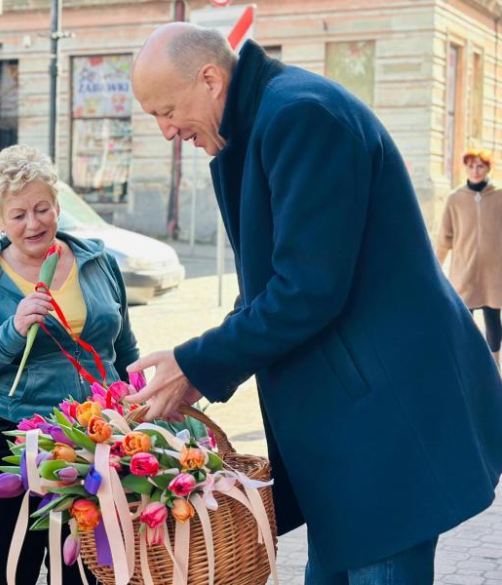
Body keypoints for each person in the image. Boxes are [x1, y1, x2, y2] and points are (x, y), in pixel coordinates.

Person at [126, 23, 502, 584]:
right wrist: (197, 371)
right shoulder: (271, 118)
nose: (165, 130)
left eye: (166, 110)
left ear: (209, 79)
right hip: (352, 433)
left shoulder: (300, 115)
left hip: (381, 428)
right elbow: (270, 288)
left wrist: (196, 363)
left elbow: (307, 289)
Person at [0, 144, 136, 585]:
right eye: (18, 215)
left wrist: (138, 403)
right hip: (16, 437)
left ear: (56, 206)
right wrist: (12, 329)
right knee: (13, 563)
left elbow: (123, 345)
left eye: (42, 208)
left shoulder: (97, 260)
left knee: (90, 565)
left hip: (96, 432)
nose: (34, 224)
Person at [436, 148, 502, 370]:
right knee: (464, 319)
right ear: (466, 167)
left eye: (480, 166)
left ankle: (495, 365)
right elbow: (445, 236)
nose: (475, 170)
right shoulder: (455, 199)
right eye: (471, 166)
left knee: (493, 318)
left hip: (494, 272)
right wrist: (435, 265)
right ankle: (467, 365)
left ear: (487, 168)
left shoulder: (499, 196)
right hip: (464, 270)